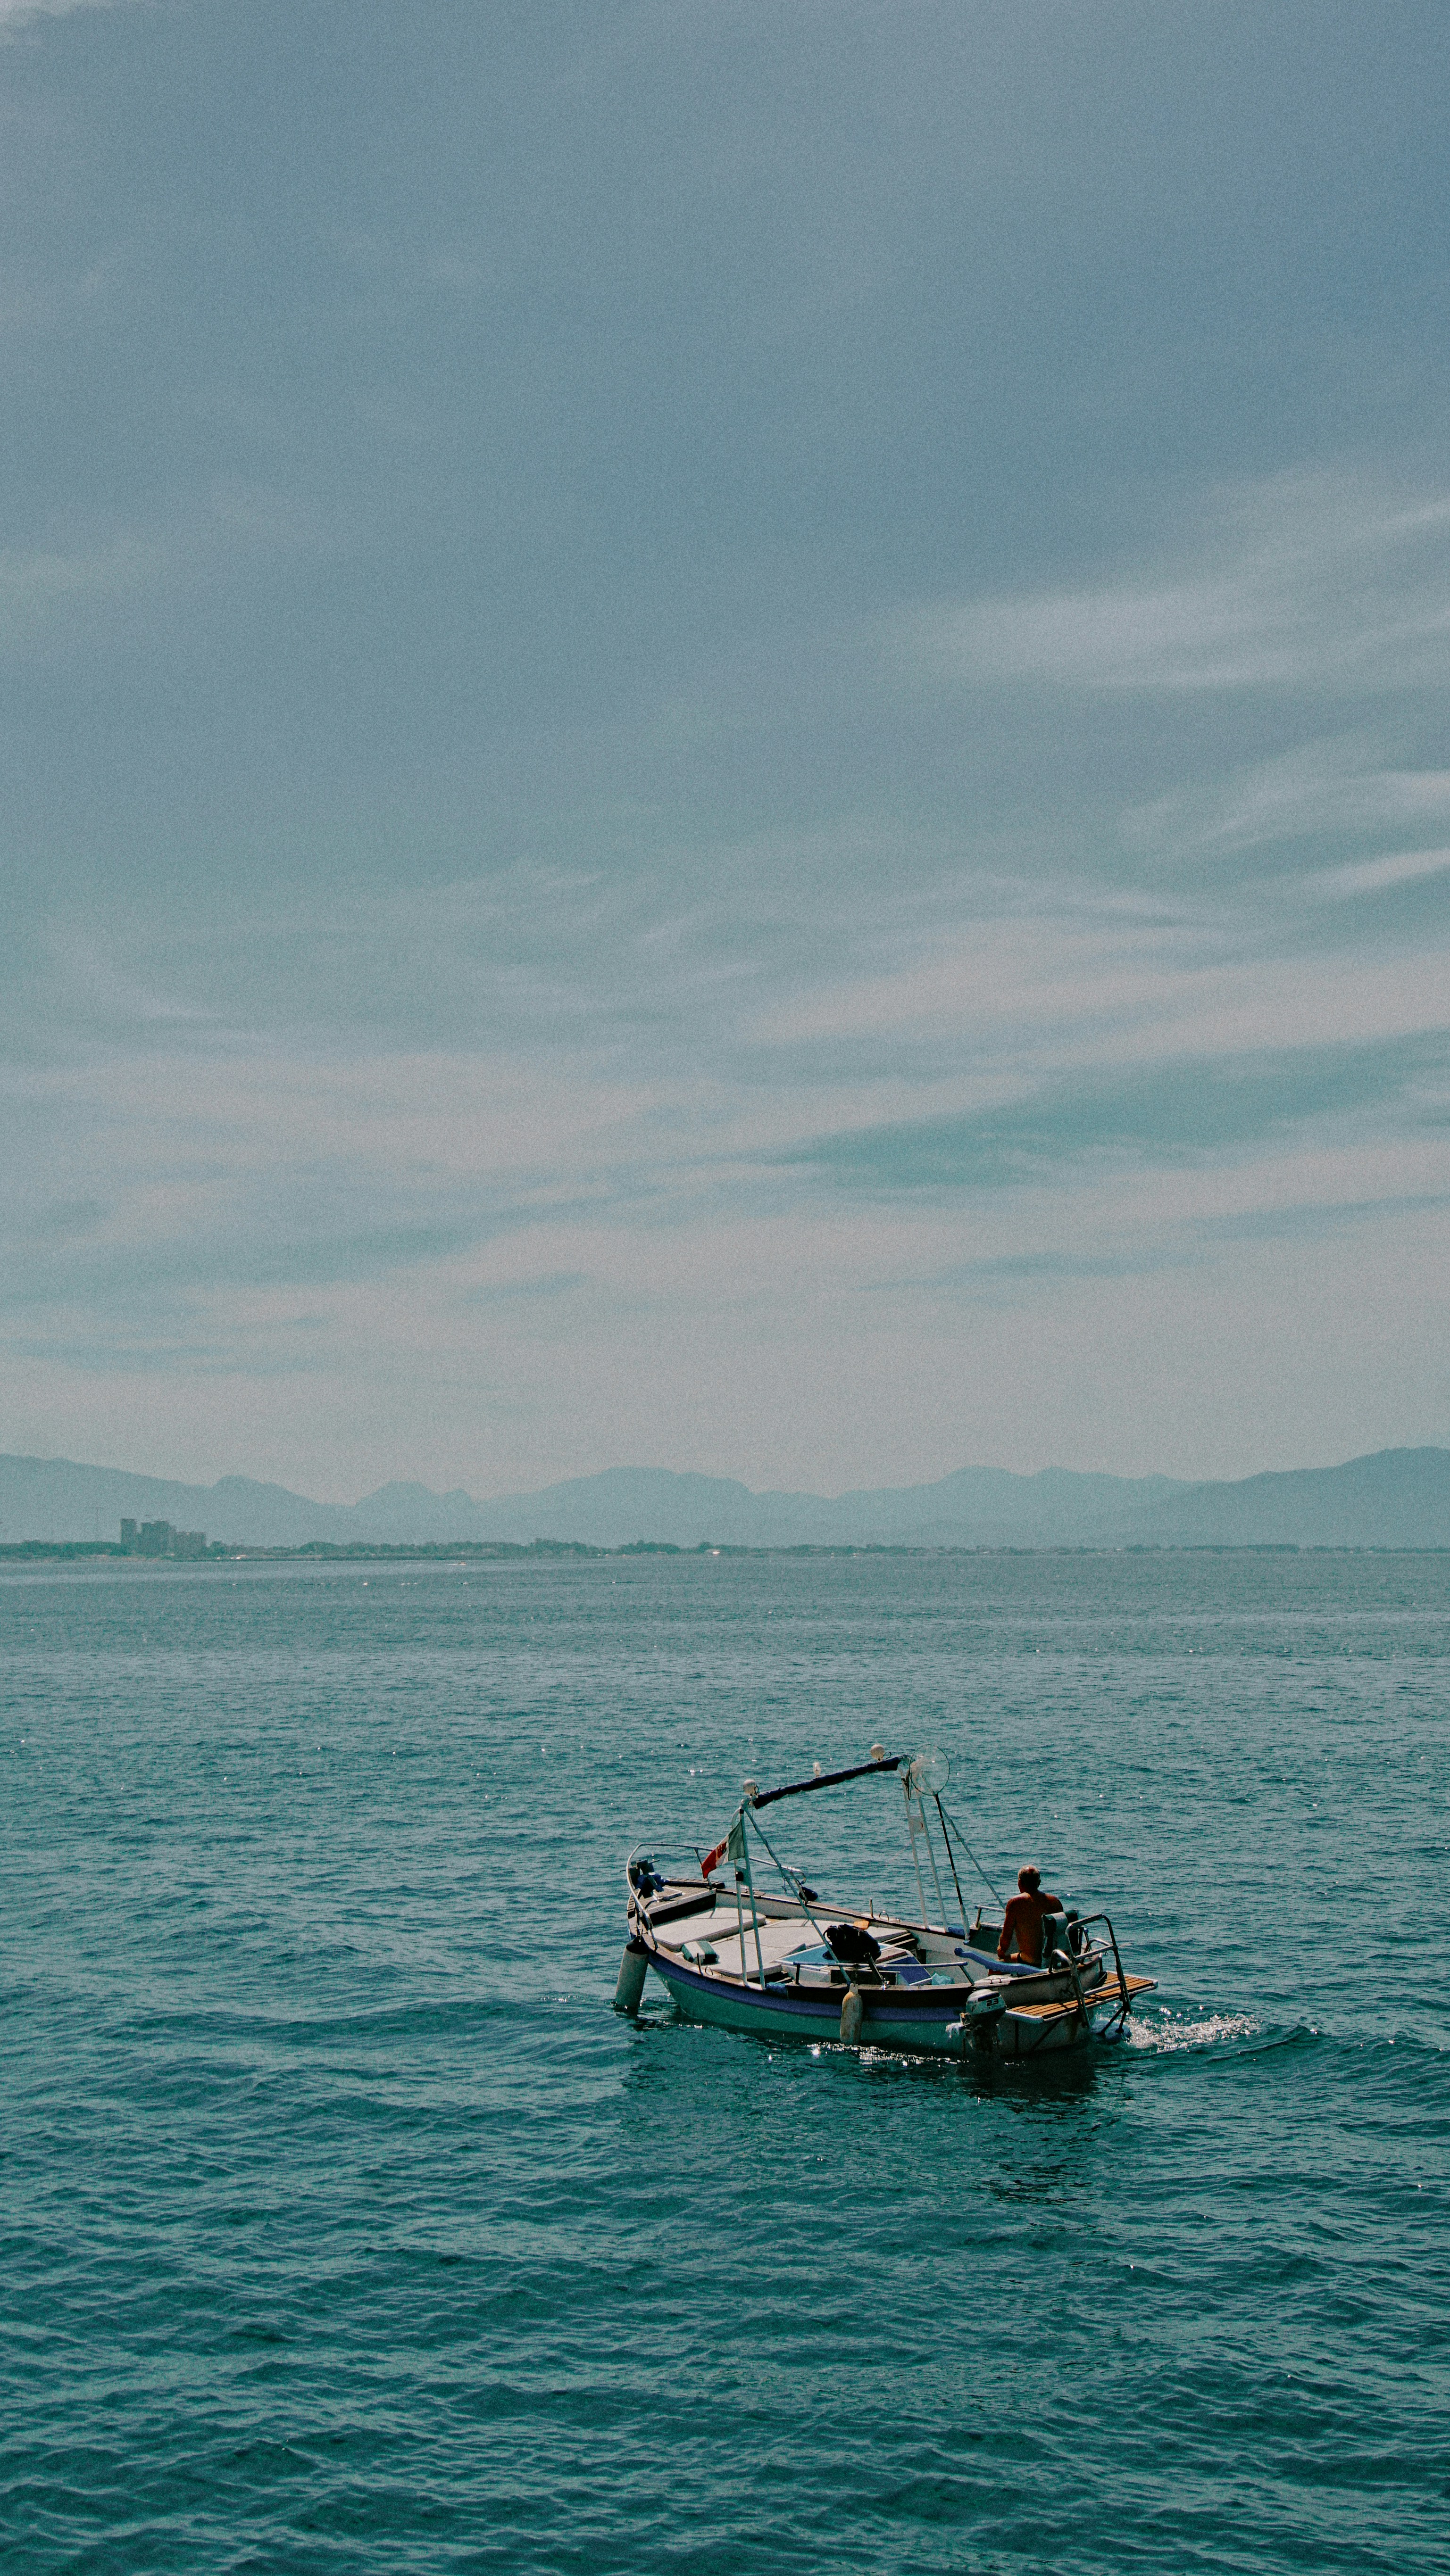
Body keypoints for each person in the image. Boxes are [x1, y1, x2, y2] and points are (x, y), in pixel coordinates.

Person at [997, 1865, 1062, 1965]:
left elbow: (1005, 1942)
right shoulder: (1055, 1902)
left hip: (1031, 1962)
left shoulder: (1015, 1903)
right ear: (1039, 1883)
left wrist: (1001, 1950)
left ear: (1019, 1883)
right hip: (1052, 1960)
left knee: (996, 1967)